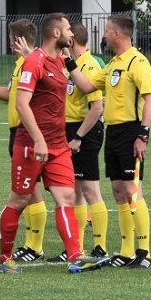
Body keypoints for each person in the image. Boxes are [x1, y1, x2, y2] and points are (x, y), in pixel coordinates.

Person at [0, 13, 109, 275]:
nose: (72, 33)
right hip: (31, 144)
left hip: (58, 144)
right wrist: (37, 140)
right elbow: (22, 104)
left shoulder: (63, 61)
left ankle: (75, 256)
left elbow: (86, 85)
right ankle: (4, 259)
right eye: (68, 29)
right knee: (19, 200)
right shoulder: (34, 61)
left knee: (66, 197)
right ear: (56, 33)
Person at [87, 15, 151, 269]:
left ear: (117, 33)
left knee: (132, 190)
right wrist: (69, 63)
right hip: (113, 131)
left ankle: (145, 251)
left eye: (106, 30)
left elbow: (150, 99)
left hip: (131, 131)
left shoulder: (138, 62)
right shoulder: (113, 63)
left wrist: (143, 134)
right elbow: (87, 86)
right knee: (118, 191)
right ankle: (126, 251)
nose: (103, 35)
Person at [0, 19, 47, 263]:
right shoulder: (20, 64)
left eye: (11, 39)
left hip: (28, 132)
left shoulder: (34, 62)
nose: (9, 44)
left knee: (31, 191)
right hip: (16, 132)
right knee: (29, 191)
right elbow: (10, 95)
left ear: (18, 39)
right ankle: (32, 245)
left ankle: (35, 247)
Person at [59, 22, 107, 260]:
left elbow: (97, 107)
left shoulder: (89, 65)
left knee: (90, 190)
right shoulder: (72, 64)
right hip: (70, 130)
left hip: (85, 131)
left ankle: (100, 247)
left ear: (72, 40)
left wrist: (78, 136)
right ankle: (75, 247)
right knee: (74, 191)